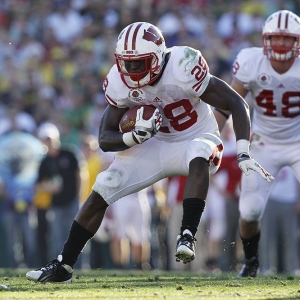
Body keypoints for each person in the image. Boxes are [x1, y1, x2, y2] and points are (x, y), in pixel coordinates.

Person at [26, 21, 273, 283]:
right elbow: (105, 139)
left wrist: (244, 150)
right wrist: (132, 136)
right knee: (105, 183)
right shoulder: (119, 82)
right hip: (153, 145)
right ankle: (64, 265)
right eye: (126, 63)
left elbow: (236, 101)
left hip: (196, 136)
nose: (130, 70)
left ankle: (187, 234)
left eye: (138, 63)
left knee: (200, 150)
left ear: (156, 58)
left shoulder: (183, 64)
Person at [214, 10, 300, 278]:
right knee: (249, 210)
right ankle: (251, 262)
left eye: (287, 40)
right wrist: (211, 138)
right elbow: (229, 103)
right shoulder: (251, 62)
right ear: (265, 40)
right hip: (264, 141)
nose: (281, 45)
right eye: (275, 38)